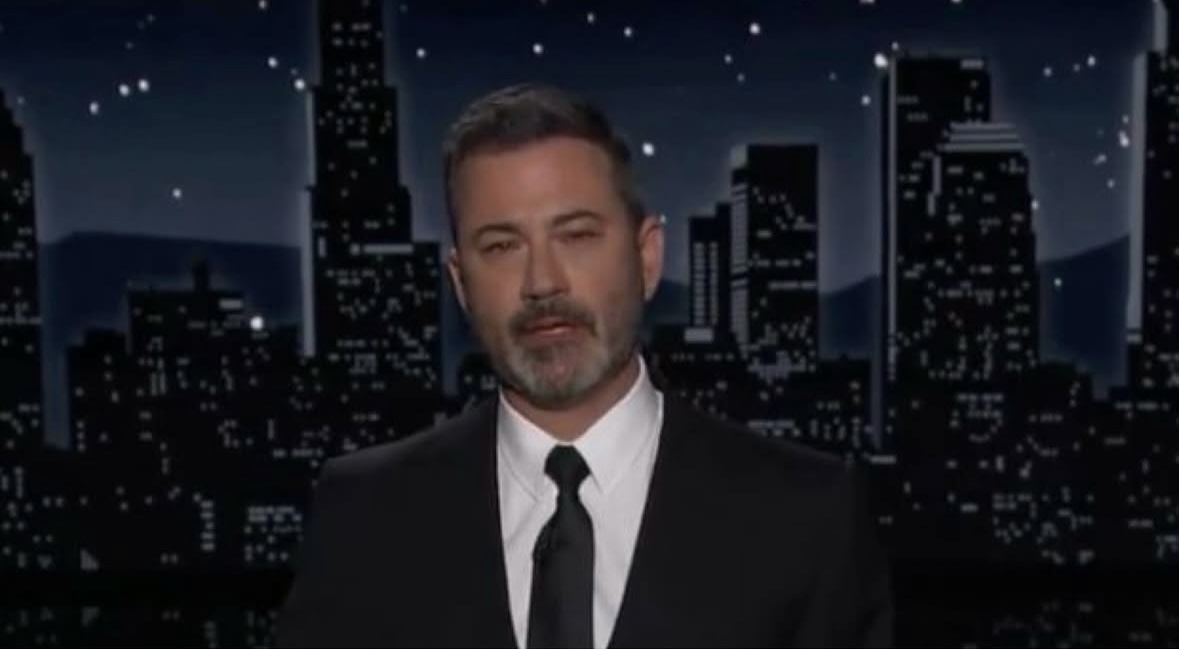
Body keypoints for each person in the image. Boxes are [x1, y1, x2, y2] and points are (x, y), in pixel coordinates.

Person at [274, 82, 893, 649]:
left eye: (576, 235)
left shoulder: (805, 515)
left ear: (647, 257)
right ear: (461, 284)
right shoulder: (366, 513)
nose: (542, 281)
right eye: (502, 245)